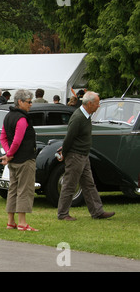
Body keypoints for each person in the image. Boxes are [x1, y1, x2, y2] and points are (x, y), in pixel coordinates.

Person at [56, 91, 115, 221]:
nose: (98, 106)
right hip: (76, 156)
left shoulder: (86, 116)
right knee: (70, 185)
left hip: (83, 155)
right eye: (97, 104)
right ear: (89, 104)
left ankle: (97, 212)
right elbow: (69, 137)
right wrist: (65, 153)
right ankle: (63, 214)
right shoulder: (78, 118)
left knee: (89, 185)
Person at [0, 89, 39, 232]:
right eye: (29, 102)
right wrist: (9, 153)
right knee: (24, 190)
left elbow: (3, 138)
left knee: (13, 189)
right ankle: (22, 223)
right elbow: (17, 140)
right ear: (20, 102)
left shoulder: (8, 116)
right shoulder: (22, 119)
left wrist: (9, 154)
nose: (30, 105)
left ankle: (11, 222)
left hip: (14, 161)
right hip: (24, 159)